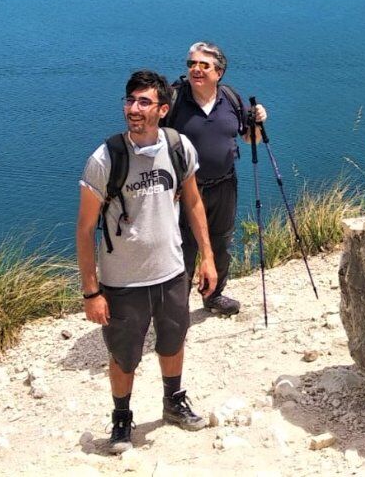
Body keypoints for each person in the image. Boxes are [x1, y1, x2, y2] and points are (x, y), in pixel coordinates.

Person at [76, 70, 218, 454]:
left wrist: (207, 257)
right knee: (124, 355)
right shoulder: (105, 159)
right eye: (129, 100)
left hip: (171, 270)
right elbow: (85, 229)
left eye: (144, 102)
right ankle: (121, 418)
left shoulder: (178, 147)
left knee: (173, 340)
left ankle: (174, 401)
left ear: (163, 109)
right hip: (122, 281)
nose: (133, 109)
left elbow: (193, 202)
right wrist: (91, 292)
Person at [163, 41, 267, 317]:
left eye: (203, 65)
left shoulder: (230, 98)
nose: (195, 69)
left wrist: (258, 123)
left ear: (219, 72)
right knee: (183, 247)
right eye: (191, 64)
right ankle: (176, 308)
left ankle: (214, 296)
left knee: (221, 242)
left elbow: (250, 138)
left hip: (224, 183)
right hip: (184, 190)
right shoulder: (173, 99)